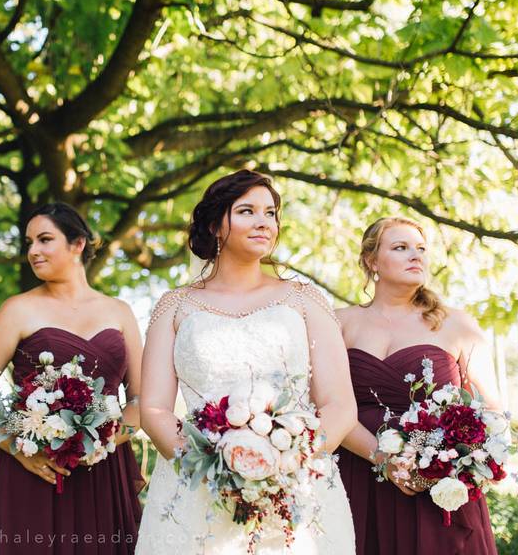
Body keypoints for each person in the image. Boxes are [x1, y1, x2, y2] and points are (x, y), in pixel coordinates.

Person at [136, 169, 357, 554]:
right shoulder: (175, 306)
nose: (264, 223)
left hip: (295, 488)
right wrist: (212, 471)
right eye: (247, 211)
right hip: (196, 489)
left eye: (270, 213)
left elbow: (339, 404)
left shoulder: (303, 299)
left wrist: (288, 465)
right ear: (214, 225)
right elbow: (154, 409)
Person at [0, 202, 144, 554]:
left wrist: (103, 443)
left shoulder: (119, 312)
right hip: (35, 470)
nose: (33, 251)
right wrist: (19, 449)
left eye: (44, 239)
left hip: (104, 471)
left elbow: (141, 401)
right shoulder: (17, 310)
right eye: (28, 243)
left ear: (78, 245)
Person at [337, 216, 500, 554]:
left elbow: (492, 414)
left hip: (437, 487)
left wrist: (455, 460)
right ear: (371, 261)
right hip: (359, 477)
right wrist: (384, 459)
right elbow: (330, 404)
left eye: (421, 249)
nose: (416, 256)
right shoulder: (340, 323)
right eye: (401, 248)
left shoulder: (457, 324)